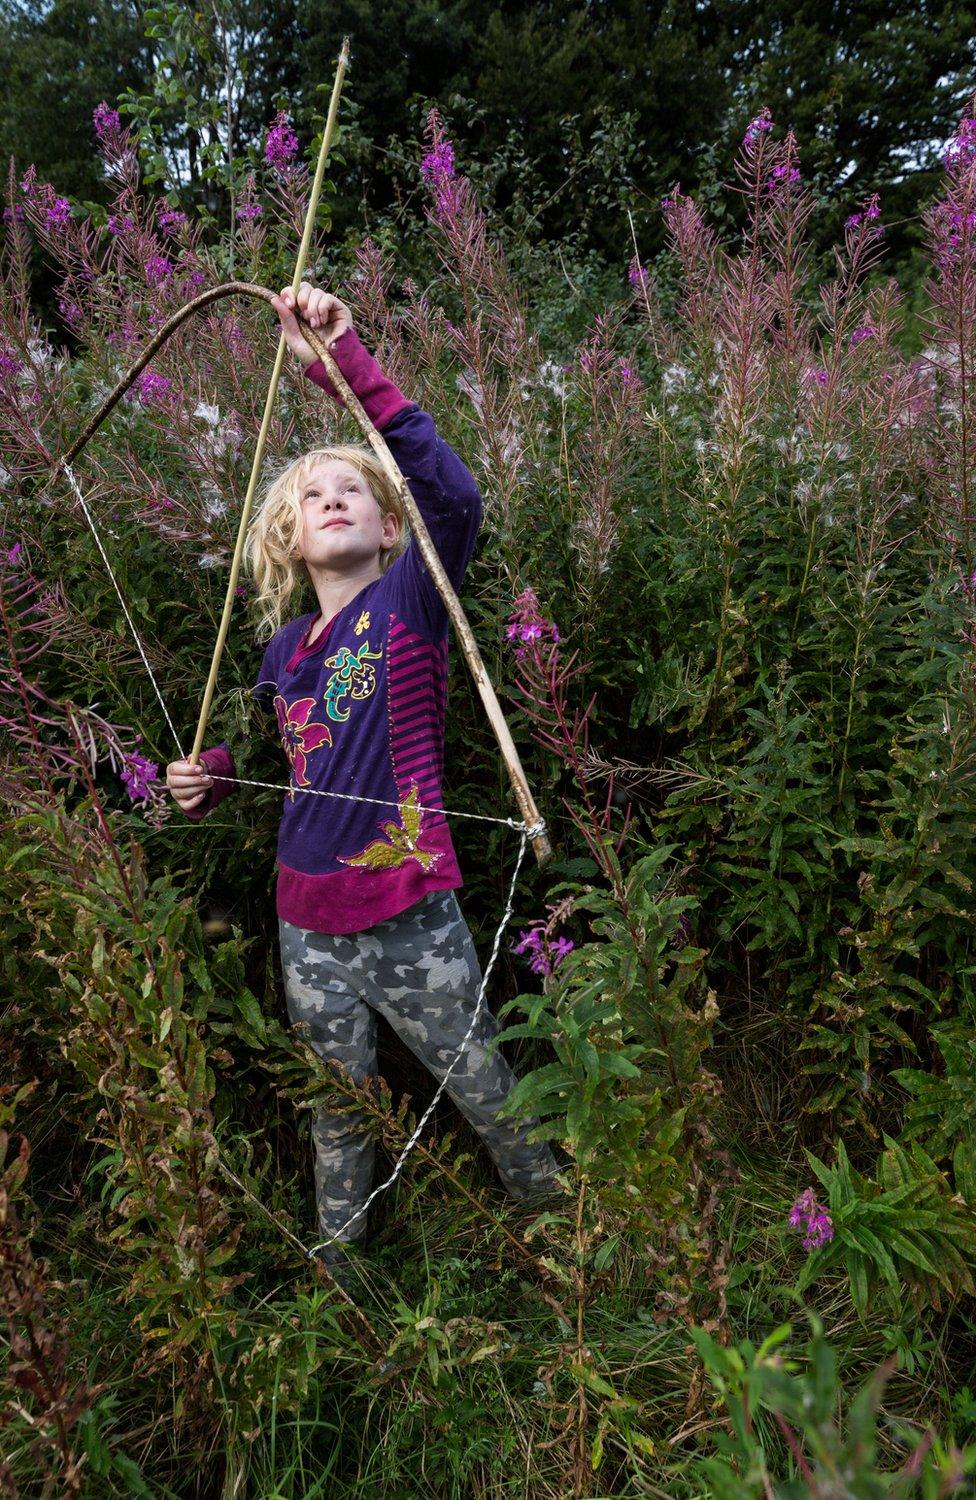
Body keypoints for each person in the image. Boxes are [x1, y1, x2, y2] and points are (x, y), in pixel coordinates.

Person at [166, 285, 560, 1282]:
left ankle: (570, 1241)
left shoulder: (411, 601)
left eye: (353, 490)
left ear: (391, 530)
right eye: (311, 495)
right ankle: (339, 1285)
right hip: (306, 917)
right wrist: (208, 777)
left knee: (482, 1085)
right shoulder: (282, 649)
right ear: (289, 540)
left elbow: (455, 499)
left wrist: (343, 366)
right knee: (333, 1108)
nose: (331, 498)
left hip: (407, 909)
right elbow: (284, 759)